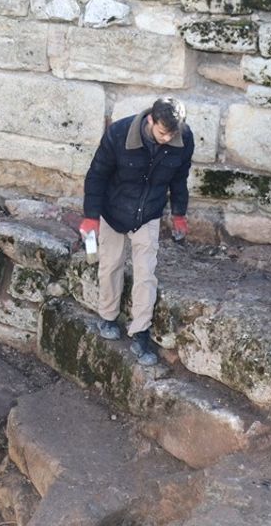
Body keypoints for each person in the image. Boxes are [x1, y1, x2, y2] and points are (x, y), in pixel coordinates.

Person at [79, 97, 193, 366]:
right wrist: (91, 217)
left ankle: (140, 331)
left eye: (173, 134)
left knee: (146, 274)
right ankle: (108, 316)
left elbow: (180, 178)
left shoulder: (183, 140)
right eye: (163, 133)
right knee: (110, 266)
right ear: (150, 120)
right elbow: (96, 175)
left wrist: (179, 214)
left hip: (149, 213)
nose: (167, 139)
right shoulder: (118, 134)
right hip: (112, 209)